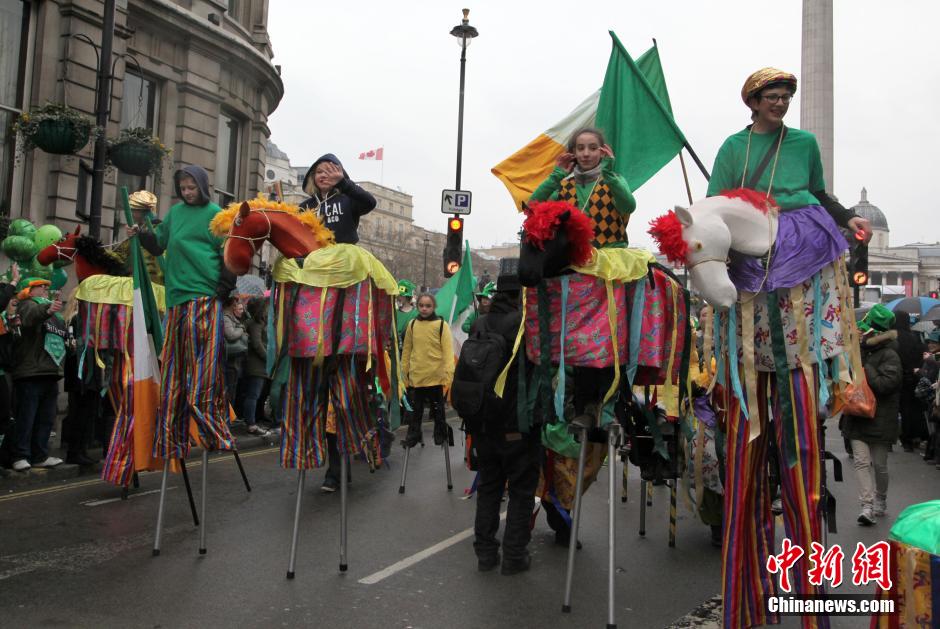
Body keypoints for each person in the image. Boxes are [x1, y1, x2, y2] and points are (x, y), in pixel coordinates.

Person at [706, 68, 872, 628]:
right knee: (745, 469)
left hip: (803, 252)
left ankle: (809, 613)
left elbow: (821, 191)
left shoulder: (803, 143)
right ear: (752, 101)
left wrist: (848, 218)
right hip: (752, 278)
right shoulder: (734, 147)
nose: (779, 103)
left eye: (784, 97)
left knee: (805, 476)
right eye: (770, 97)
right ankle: (746, 608)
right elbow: (714, 211)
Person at [131, 165, 236, 459]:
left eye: (192, 187)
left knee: (203, 369)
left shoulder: (216, 215)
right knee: (174, 372)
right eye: (184, 188)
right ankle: (171, 439)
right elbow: (158, 244)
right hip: (177, 298)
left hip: (204, 295)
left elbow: (230, 254)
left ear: (202, 186)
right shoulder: (176, 214)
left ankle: (212, 431)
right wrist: (140, 232)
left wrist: (223, 290)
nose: (188, 193)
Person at [469, 263, 540, 575]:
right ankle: (514, 555)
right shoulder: (525, 325)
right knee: (522, 491)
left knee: (489, 489)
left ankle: (485, 553)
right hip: (516, 422)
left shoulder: (480, 323)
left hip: (483, 422)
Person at [841, 304, 901, 525]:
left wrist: (866, 368)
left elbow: (886, 385)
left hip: (880, 419)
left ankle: (880, 499)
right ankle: (866, 505)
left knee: (880, 465)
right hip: (857, 416)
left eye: (866, 330)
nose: (861, 333)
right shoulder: (857, 351)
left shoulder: (890, 355)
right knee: (861, 462)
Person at [529, 126, 636, 247]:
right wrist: (555, 177)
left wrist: (609, 175)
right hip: (574, 260)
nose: (586, 154)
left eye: (593, 148)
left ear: (602, 152)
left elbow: (629, 207)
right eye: (580, 148)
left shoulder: (614, 181)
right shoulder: (563, 187)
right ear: (574, 153)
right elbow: (531, 207)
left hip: (611, 259)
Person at [9, 278, 67, 471]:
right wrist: (48, 310)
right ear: (29, 290)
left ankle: (40, 455)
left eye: (46, 287)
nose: (45, 289)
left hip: (49, 371)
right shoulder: (26, 306)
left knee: (46, 418)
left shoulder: (51, 313)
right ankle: (20, 455)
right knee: (27, 416)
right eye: (41, 286)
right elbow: (30, 318)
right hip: (31, 372)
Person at [400, 293, 454, 448]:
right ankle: (414, 434)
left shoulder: (442, 325)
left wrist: (449, 374)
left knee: (438, 410)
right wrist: (404, 373)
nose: (424, 309)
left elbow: (448, 351)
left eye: (428, 306)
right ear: (417, 306)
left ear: (434, 307)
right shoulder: (412, 325)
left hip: (435, 376)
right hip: (417, 376)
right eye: (421, 305)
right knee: (415, 411)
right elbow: (407, 351)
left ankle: (440, 433)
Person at [298, 154, 376, 244]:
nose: (323, 175)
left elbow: (370, 202)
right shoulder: (305, 206)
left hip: (343, 255)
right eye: (319, 172)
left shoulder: (348, 200)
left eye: (329, 171)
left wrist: (343, 183)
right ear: (313, 177)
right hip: (314, 255)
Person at [894, 311, 927, 451]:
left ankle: (894, 438)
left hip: (895, 377)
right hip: (912, 377)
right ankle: (911, 438)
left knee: (894, 408)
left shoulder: (892, 338)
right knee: (911, 409)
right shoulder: (914, 337)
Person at [239, 298, 270, 437]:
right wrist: (268, 358)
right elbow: (257, 344)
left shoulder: (258, 323)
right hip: (256, 364)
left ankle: (254, 420)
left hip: (257, 364)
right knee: (253, 394)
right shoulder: (255, 324)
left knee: (257, 394)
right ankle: (251, 423)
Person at [222, 296, 248, 418]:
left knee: (232, 389)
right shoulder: (226, 318)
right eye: (235, 301)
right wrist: (241, 329)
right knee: (229, 390)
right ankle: (227, 418)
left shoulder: (230, 317)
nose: (237, 303)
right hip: (230, 359)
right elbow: (231, 335)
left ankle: (228, 418)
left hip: (234, 359)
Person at [395, 279, 418, 345]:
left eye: (401, 295)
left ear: (407, 297)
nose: (398, 297)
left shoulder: (416, 314)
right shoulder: (395, 313)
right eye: (398, 295)